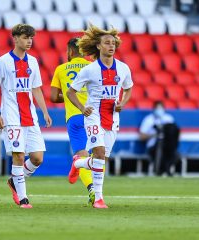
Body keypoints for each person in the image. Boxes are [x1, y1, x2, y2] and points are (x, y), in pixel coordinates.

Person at [66, 24, 133, 208]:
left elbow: (128, 88)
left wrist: (123, 103)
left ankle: (79, 163)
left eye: (113, 43)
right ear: (98, 46)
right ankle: (99, 198)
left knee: (101, 159)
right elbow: (71, 92)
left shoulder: (123, 68)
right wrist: (82, 108)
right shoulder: (89, 70)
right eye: (106, 43)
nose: (111, 46)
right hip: (93, 115)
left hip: (112, 118)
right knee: (100, 153)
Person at [0, 24, 52, 209]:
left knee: (37, 158)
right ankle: (24, 199)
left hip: (30, 116)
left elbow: (36, 88)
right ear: (15, 38)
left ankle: (14, 181)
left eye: (31, 38)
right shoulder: (3, 61)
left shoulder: (33, 62)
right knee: (18, 155)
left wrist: (44, 111)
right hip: (11, 116)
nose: (29, 41)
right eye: (25, 38)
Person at [50, 38, 94, 204]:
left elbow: (53, 97)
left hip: (75, 117)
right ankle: (96, 190)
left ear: (69, 52)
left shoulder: (60, 69)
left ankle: (92, 189)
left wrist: (70, 98)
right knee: (97, 155)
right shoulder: (92, 67)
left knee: (82, 154)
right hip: (93, 115)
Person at [139, 101, 178, 176]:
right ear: (154, 109)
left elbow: (175, 133)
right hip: (153, 146)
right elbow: (142, 136)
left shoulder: (168, 118)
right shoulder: (148, 119)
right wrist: (155, 134)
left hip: (167, 146)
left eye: (161, 108)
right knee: (159, 149)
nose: (159, 110)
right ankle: (159, 171)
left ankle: (167, 169)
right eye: (157, 108)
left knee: (173, 153)